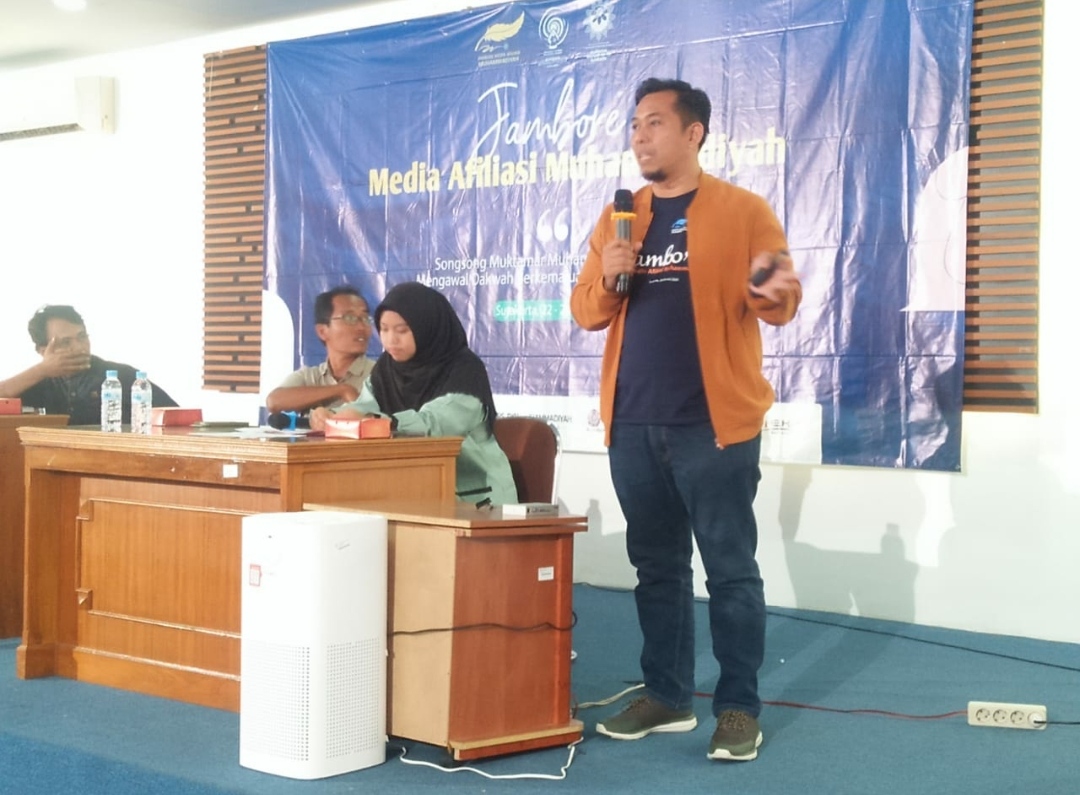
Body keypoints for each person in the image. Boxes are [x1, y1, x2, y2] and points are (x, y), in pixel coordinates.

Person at [570, 77, 802, 762]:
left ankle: (738, 708)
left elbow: (783, 302)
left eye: (654, 123)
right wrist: (611, 272)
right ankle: (668, 696)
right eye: (634, 126)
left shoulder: (744, 210)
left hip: (713, 425)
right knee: (657, 567)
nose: (639, 137)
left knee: (729, 569)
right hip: (634, 423)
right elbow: (585, 310)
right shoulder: (621, 217)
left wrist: (768, 286)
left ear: (693, 132)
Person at [309, 282, 517, 506]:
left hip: (476, 499)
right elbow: (365, 405)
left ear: (425, 327)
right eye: (384, 329)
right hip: (412, 489)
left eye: (402, 331)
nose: (391, 340)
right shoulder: (387, 368)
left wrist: (380, 423)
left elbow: (436, 426)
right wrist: (334, 417)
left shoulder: (465, 369)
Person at [0, 304, 178, 426]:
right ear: (42, 350)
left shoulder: (121, 377)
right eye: (66, 342)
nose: (79, 347)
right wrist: (41, 370)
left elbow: (176, 417)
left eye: (82, 337)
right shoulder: (39, 382)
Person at [265, 286, 376, 414]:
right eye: (350, 318)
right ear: (322, 331)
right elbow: (274, 401)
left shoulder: (378, 374)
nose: (361, 327)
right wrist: (341, 390)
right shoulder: (310, 377)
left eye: (365, 318)